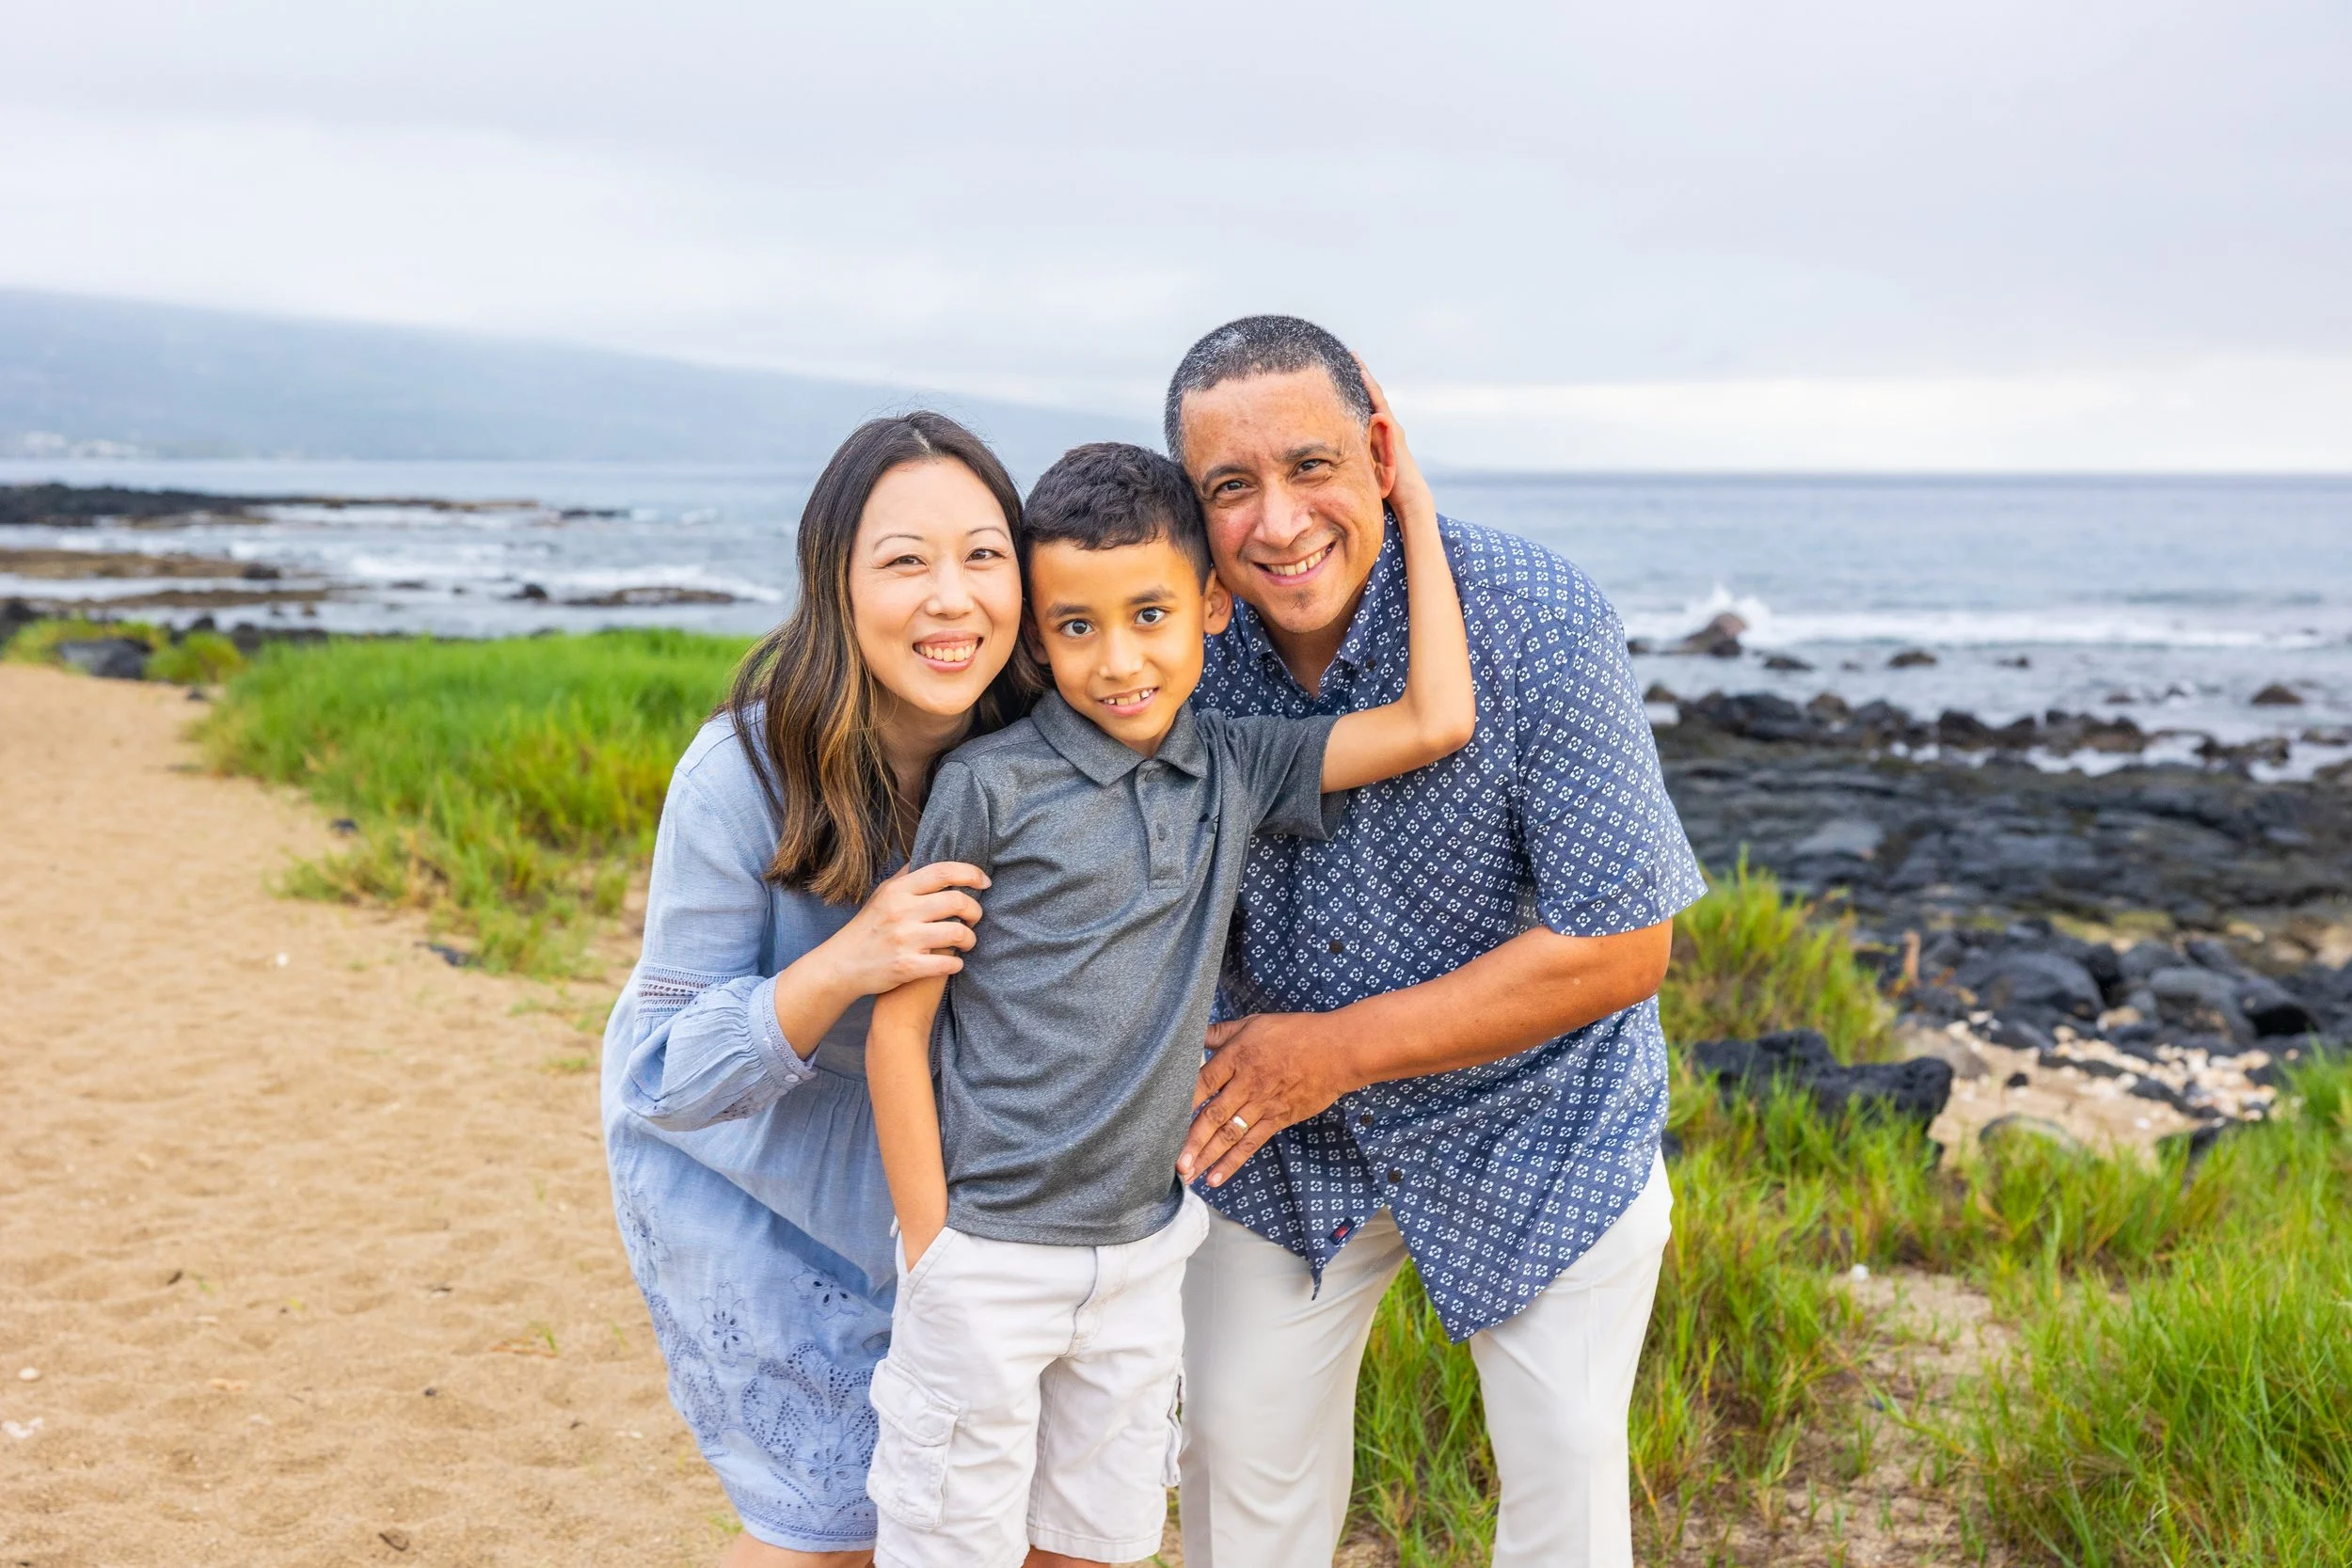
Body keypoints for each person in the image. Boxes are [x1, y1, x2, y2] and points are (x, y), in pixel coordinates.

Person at [858, 417, 1470, 1568]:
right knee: (952, 1547)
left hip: (1144, 1256)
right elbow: (903, 1025)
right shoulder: (987, 786)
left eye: (1150, 616)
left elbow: (1435, 719)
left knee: (1100, 1540)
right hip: (984, 1250)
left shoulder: (1232, 765)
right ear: (1036, 642)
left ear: (1213, 606)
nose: (1120, 660)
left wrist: (1412, 510)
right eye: (1076, 628)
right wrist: (931, 1246)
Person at [1165, 317, 1709, 1568]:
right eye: (1230, 487)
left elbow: (1622, 948)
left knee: (1569, 1489)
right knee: (1234, 1479)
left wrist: (1341, 1048)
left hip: (1544, 1117)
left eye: (1311, 466)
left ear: (1382, 451)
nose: (1280, 519)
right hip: (1275, 1137)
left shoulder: (1536, 615)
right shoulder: (1172, 650)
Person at [601, 412, 1042, 1567]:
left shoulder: (1044, 741)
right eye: (906, 560)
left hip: (955, 1180)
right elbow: (666, 1074)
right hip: (754, 1167)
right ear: (835, 583)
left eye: (984, 555)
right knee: (828, 1528)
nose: (953, 597)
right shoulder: (744, 769)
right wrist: (848, 958)